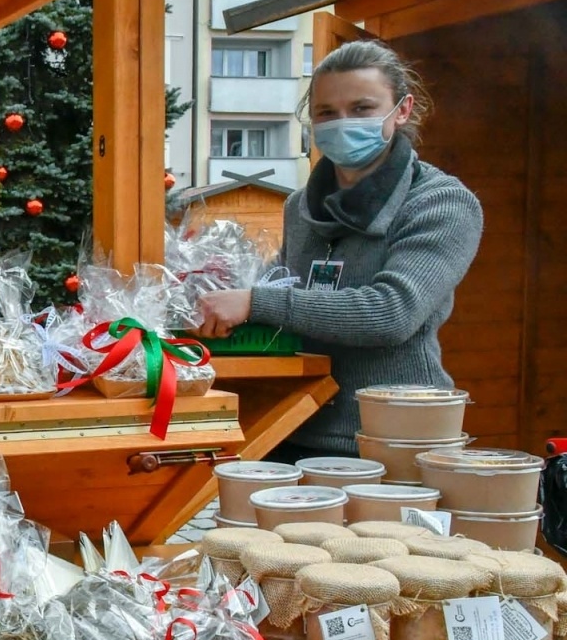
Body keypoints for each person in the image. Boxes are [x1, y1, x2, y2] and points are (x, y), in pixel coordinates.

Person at [195, 40, 482, 462]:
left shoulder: (441, 203)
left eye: (362, 108)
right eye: (327, 113)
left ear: (401, 110)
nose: (342, 122)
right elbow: (284, 293)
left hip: (395, 441)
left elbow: (392, 313)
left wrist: (255, 300)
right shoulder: (300, 206)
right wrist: (210, 294)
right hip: (290, 425)